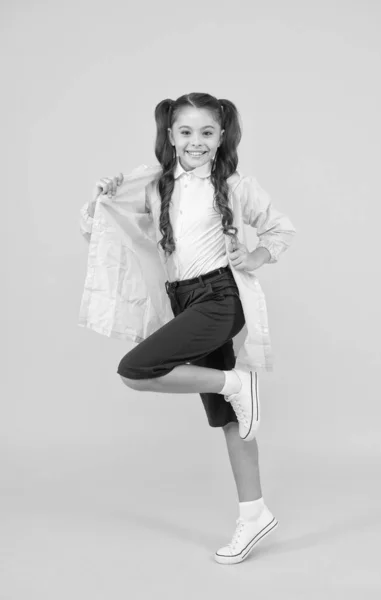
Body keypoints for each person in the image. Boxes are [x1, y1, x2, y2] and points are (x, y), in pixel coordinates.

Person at [79, 92, 296, 565]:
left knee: (134, 370)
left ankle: (236, 382)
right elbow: (104, 224)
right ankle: (254, 513)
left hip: (220, 298)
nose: (196, 141)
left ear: (221, 138)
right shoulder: (156, 185)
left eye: (207, 132)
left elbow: (281, 230)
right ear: (170, 135)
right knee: (230, 416)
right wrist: (106, 194)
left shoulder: (237, 185)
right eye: (186, 131)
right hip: (184, 301)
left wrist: (252, 255)